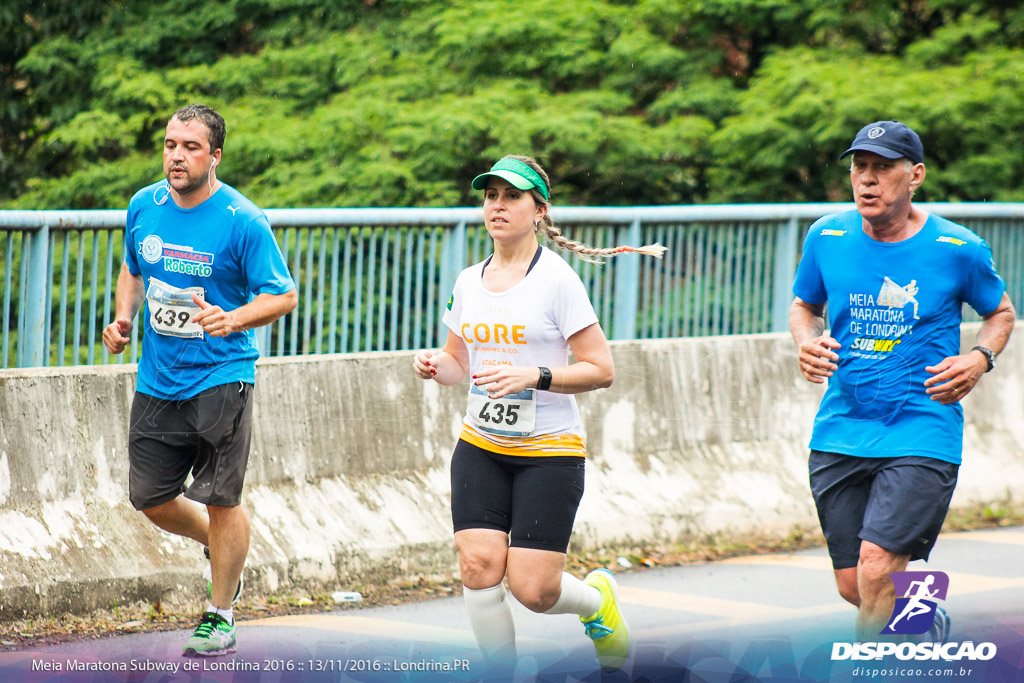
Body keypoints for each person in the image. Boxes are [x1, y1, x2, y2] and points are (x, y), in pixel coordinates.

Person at [412, 155, 665, 672]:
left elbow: (601, 369)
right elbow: (460, 362)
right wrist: (436, 364)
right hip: (481, 445)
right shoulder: (468, 280)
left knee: (534, 589)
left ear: (538, 209)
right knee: (478, 565)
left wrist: (536, 375)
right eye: (491, 197)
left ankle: (599, 605)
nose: (498, 207)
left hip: (549, 452)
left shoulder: (557, 281)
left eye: (512, 197)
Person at [789, 120, 1015, 642]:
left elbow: (1000, 312)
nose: (867, 180)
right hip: (841, 426)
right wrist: (806, 341)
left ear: (914, 176)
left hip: (922, 425)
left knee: (875, 570)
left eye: (882, 168)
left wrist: (979, 358)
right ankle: (923, 617)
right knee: (855, 586)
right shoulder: (827, 235)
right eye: (859, 167)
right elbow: (806, 305)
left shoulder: (958, 247)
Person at [102, 104, 297, 657]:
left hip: (222, 374)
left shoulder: (243, 220)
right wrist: (123, 319)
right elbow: (133, 268)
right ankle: (222, 549)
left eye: (190, 147)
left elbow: (283, 294)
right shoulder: (145, 205)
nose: (176, 156)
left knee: (220, 498)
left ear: (215, 156)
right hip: (159, 378)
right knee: (152, 498)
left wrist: (231, 317)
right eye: (170, 145)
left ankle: (221, 613)